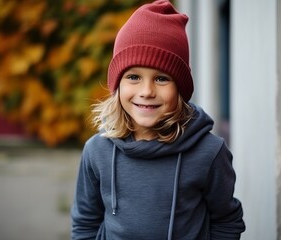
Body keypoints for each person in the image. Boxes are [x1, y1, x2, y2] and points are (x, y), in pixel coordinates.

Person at [71, 0, 245, 239]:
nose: (147, 91)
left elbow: (226, 222)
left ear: (181, 89)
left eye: (162, 78)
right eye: (133, 77)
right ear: (117, 86)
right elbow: (85, 223)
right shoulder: (97, 151)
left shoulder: (210, 153)